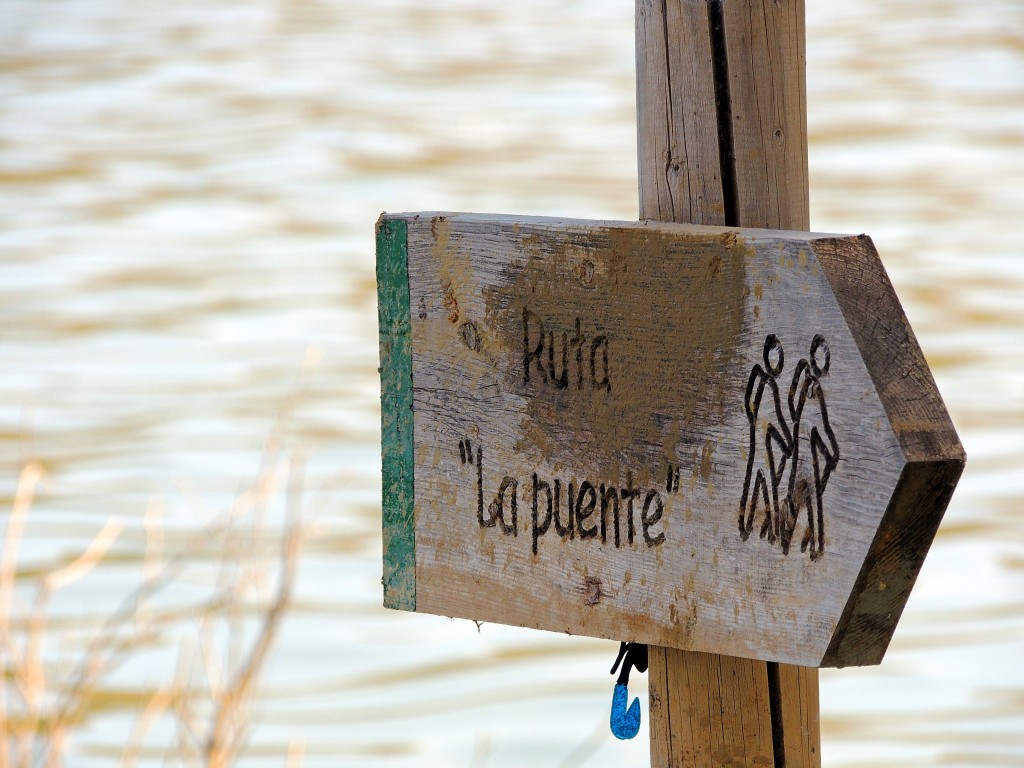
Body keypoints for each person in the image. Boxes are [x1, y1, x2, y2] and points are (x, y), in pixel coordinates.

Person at [784, 334, 839, 560]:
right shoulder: (808, 394)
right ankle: (796, 543)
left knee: (809, 509)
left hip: (808, 467)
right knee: (799, 507)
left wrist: (829, 455)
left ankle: (808, 544)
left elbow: (822, 432)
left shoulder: (814, 396)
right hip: (802, 465)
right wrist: (830, 455)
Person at [739, 334, 793, 544]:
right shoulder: (768, 384)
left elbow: (757, 412)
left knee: (755, 488)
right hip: (763, 450)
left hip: (757, 448)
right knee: (768, 493)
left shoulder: (760, 379)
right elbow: (774, 421)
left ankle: (749, 526)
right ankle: (769, 532)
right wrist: (787, 444)